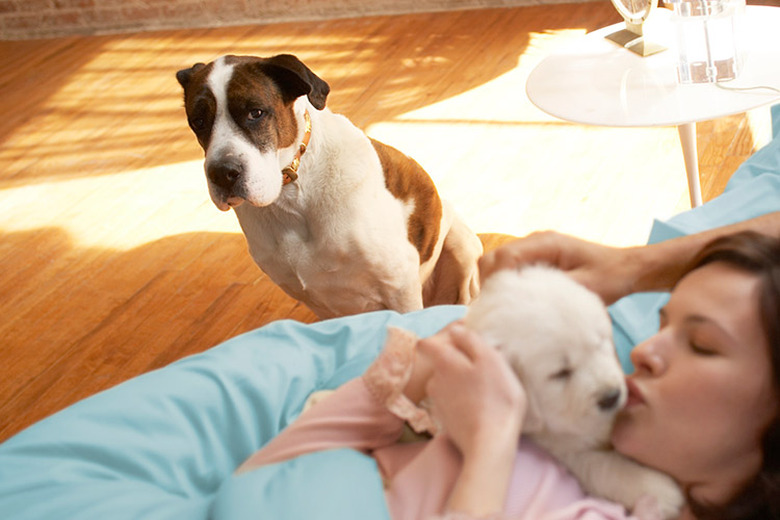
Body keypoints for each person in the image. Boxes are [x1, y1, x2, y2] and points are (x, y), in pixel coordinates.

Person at [237, 213, 780, 520]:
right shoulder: (566, 429)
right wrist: (425, 367)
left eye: (703, 345)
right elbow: (255, 484)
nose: (642, 351)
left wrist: (490, 449)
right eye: (663, 324)